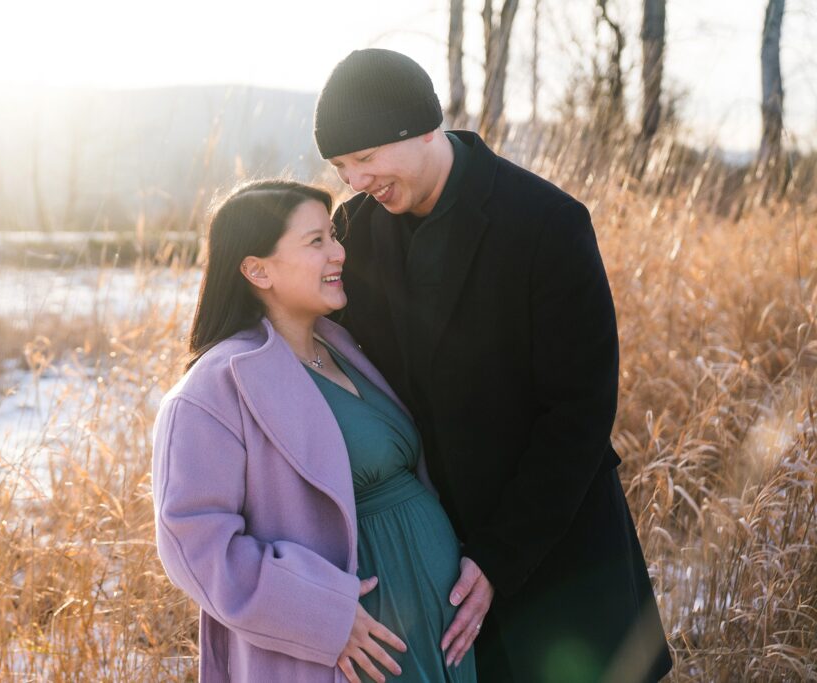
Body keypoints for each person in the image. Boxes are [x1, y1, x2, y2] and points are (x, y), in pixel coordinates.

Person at [313, 49, 673, 682]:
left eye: (365, 158)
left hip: (554, 550)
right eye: (341, 166)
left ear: (424, 128)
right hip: (433, 569)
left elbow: (579, 412)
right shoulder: (355, 231)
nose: (355, 181)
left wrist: (500, 557)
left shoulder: (547, 224)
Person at [152, 179, 478, 682]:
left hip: (434, 633)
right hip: (339, 651)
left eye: (333, 236)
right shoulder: (213, 390)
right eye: (316, 241)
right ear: (257, 269)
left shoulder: (345, 347)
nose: (339, 252)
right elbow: (194, 545)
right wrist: (326, 616)